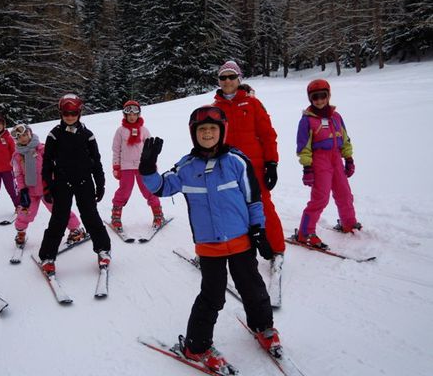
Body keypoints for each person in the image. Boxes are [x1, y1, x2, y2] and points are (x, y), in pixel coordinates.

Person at [139, 105, 279, 373]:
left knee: (252, 287)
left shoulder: (238, 162)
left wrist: (259, 229)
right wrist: (147, 169)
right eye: (202, 129)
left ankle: (263, 326)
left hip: (241, 241)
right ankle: (196, 346)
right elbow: (161, 187)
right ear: (194, 134)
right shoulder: (186, 167)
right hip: (209, 245)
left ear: (222, 131)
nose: (208, 133)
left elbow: (253, 199)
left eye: (213, 129)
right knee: (212, 296)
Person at [212, 60, 284, 263]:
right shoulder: (215, 108)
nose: (227, 81)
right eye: (223, 77)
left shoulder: (252, 103)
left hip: (254, 168)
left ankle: (277, 249)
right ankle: (235, 249)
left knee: (264, 208)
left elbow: (268, 135)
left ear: (239, 79)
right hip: (226, 168)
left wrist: (272, 163)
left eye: (231, 76)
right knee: (231, 209)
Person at [38, 93, 111, 274]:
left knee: (90, 216)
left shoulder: (88, 135)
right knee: (59, 219)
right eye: (66, 113)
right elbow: (46, 163)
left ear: (79, 113)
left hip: (84, 182)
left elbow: (96, 161)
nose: (70, 117)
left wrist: (100, 184)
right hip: (62, 183)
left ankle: (103, 249)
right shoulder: (54, 135)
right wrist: (47, 186)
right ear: (61, 113)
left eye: (73, 113)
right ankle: (47, 255)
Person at [295, 79, 361, 248]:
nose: (319, 100)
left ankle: (349, 223)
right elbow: (303, 147)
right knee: (321, 198)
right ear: (310, 99)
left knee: (344, 194)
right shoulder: (307, 120)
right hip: (319, 161)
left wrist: (349, 158)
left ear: (328, 96)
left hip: (336, 159)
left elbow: (344, 139)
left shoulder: (336, 117)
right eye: (314, 97)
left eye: (322, 96)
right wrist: (307, 168)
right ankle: (305, 232)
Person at [11, 123, 86, 247]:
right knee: (25, 212)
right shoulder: (17, 156)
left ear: (30, 133)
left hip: (47, 189)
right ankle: (20, 231)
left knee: (59, 210)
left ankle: (75, 229)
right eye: (19, 137)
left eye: (25, 135)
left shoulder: (42, 149)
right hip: (30, 191)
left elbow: (54, 165)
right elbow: (18, 174)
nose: (23, 138)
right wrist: (22, 190)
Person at [110, 100, 165, 231]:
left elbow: (150, 149)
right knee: (124, 191)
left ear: (138, 114)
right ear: (125, 115)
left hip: (143, 167)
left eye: (135, 114)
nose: (132, 116)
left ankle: (158, 214)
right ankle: (116, 216)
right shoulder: (120, 131)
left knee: (149, 189)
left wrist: (152, 164)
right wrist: (116, 167)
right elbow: (116, 149)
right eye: (129, 114)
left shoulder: (144, 130)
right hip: (126, 167)